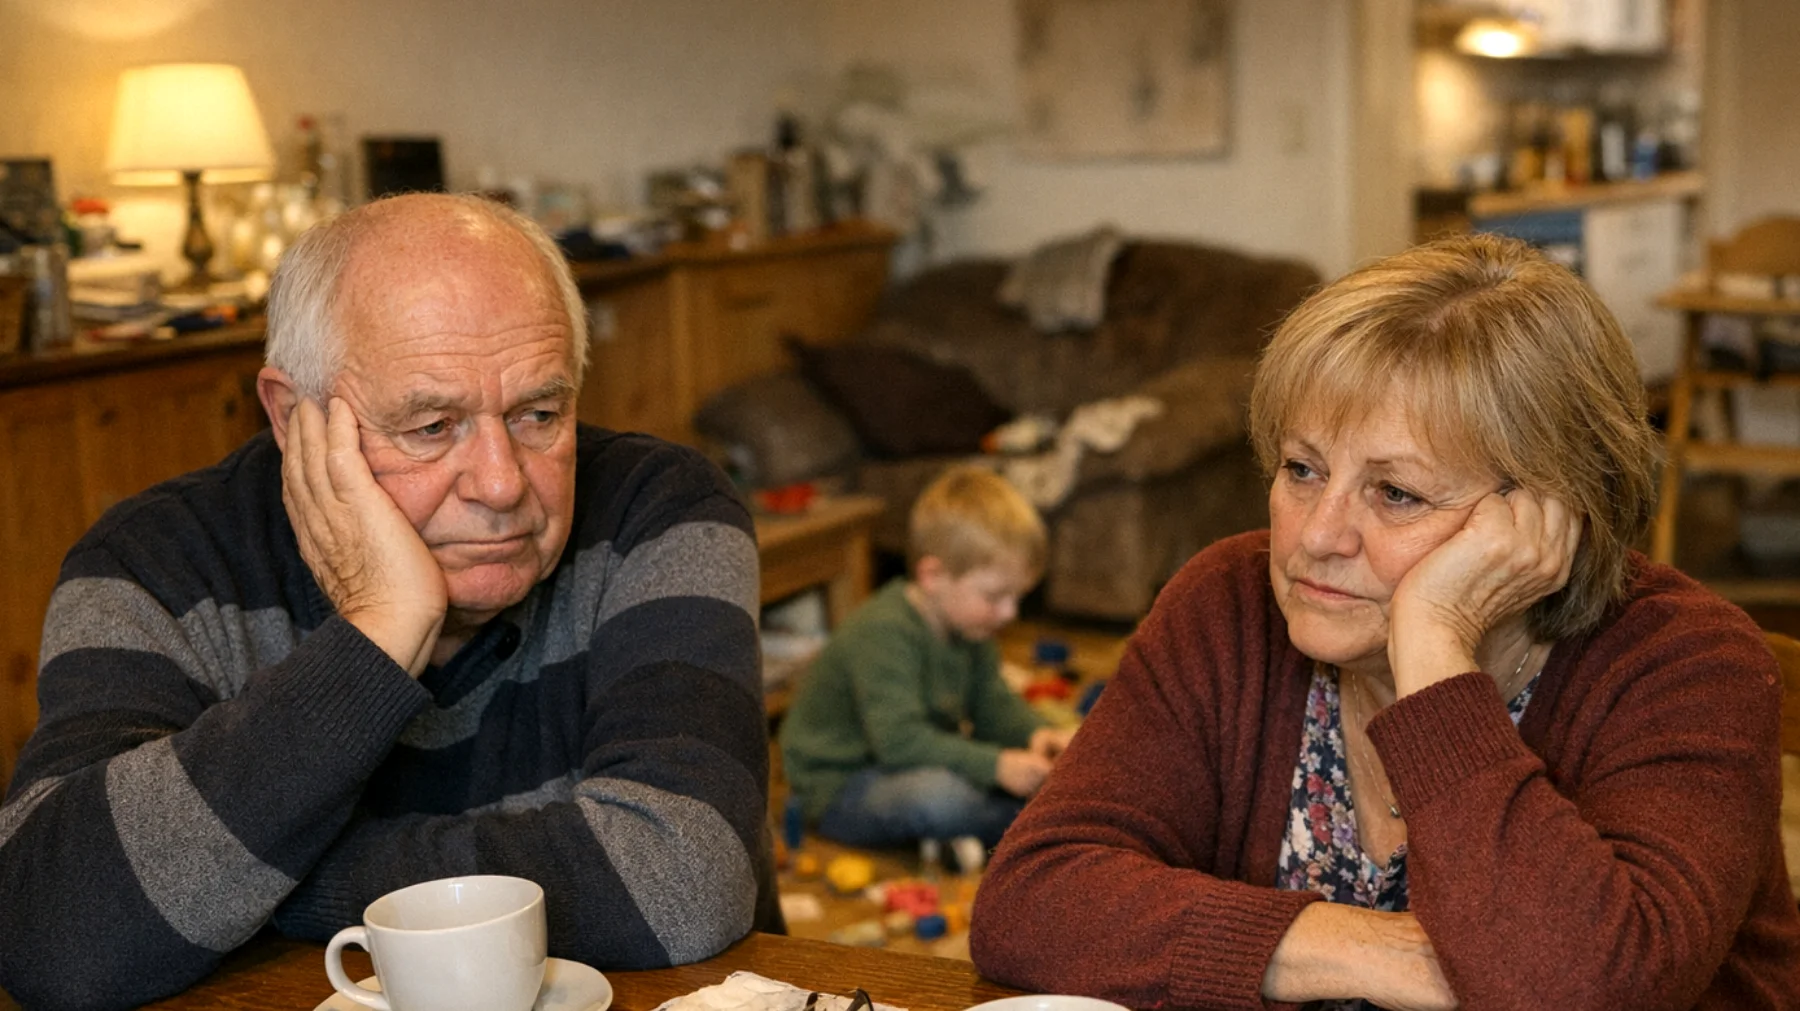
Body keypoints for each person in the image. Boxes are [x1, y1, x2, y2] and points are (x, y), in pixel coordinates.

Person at [970, 234, 1800, 1009]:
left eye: (1395, 492)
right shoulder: (1228, 605)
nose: (1315, 536)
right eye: (1302, 468)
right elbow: (1030, 900)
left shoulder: (1690, 664)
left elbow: (1582, 989)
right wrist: (1372, 950)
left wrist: (1437, 647)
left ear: (1553, 514)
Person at [0, 193, 776, 1010]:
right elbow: (53, 926)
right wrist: (380, 627)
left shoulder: (660, 509)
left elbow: (687, 879)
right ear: (295, 417)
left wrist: (243, 880)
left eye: (539, 414)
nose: (503, 482)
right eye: (433, 425)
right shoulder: (151, 564)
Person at [779, 465, 1074, 854]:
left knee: (977, 779)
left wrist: (1036, 734)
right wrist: (997, 765)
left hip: (905, 762)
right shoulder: (883, 632)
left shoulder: (971, 626)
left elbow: (992, 703)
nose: (1009, 613)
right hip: (840, 784)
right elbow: (899, 742)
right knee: (939, 798)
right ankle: (1024, 827)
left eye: (1016, 598)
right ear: (933, 575)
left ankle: (1007, 822)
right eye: (995, 597)